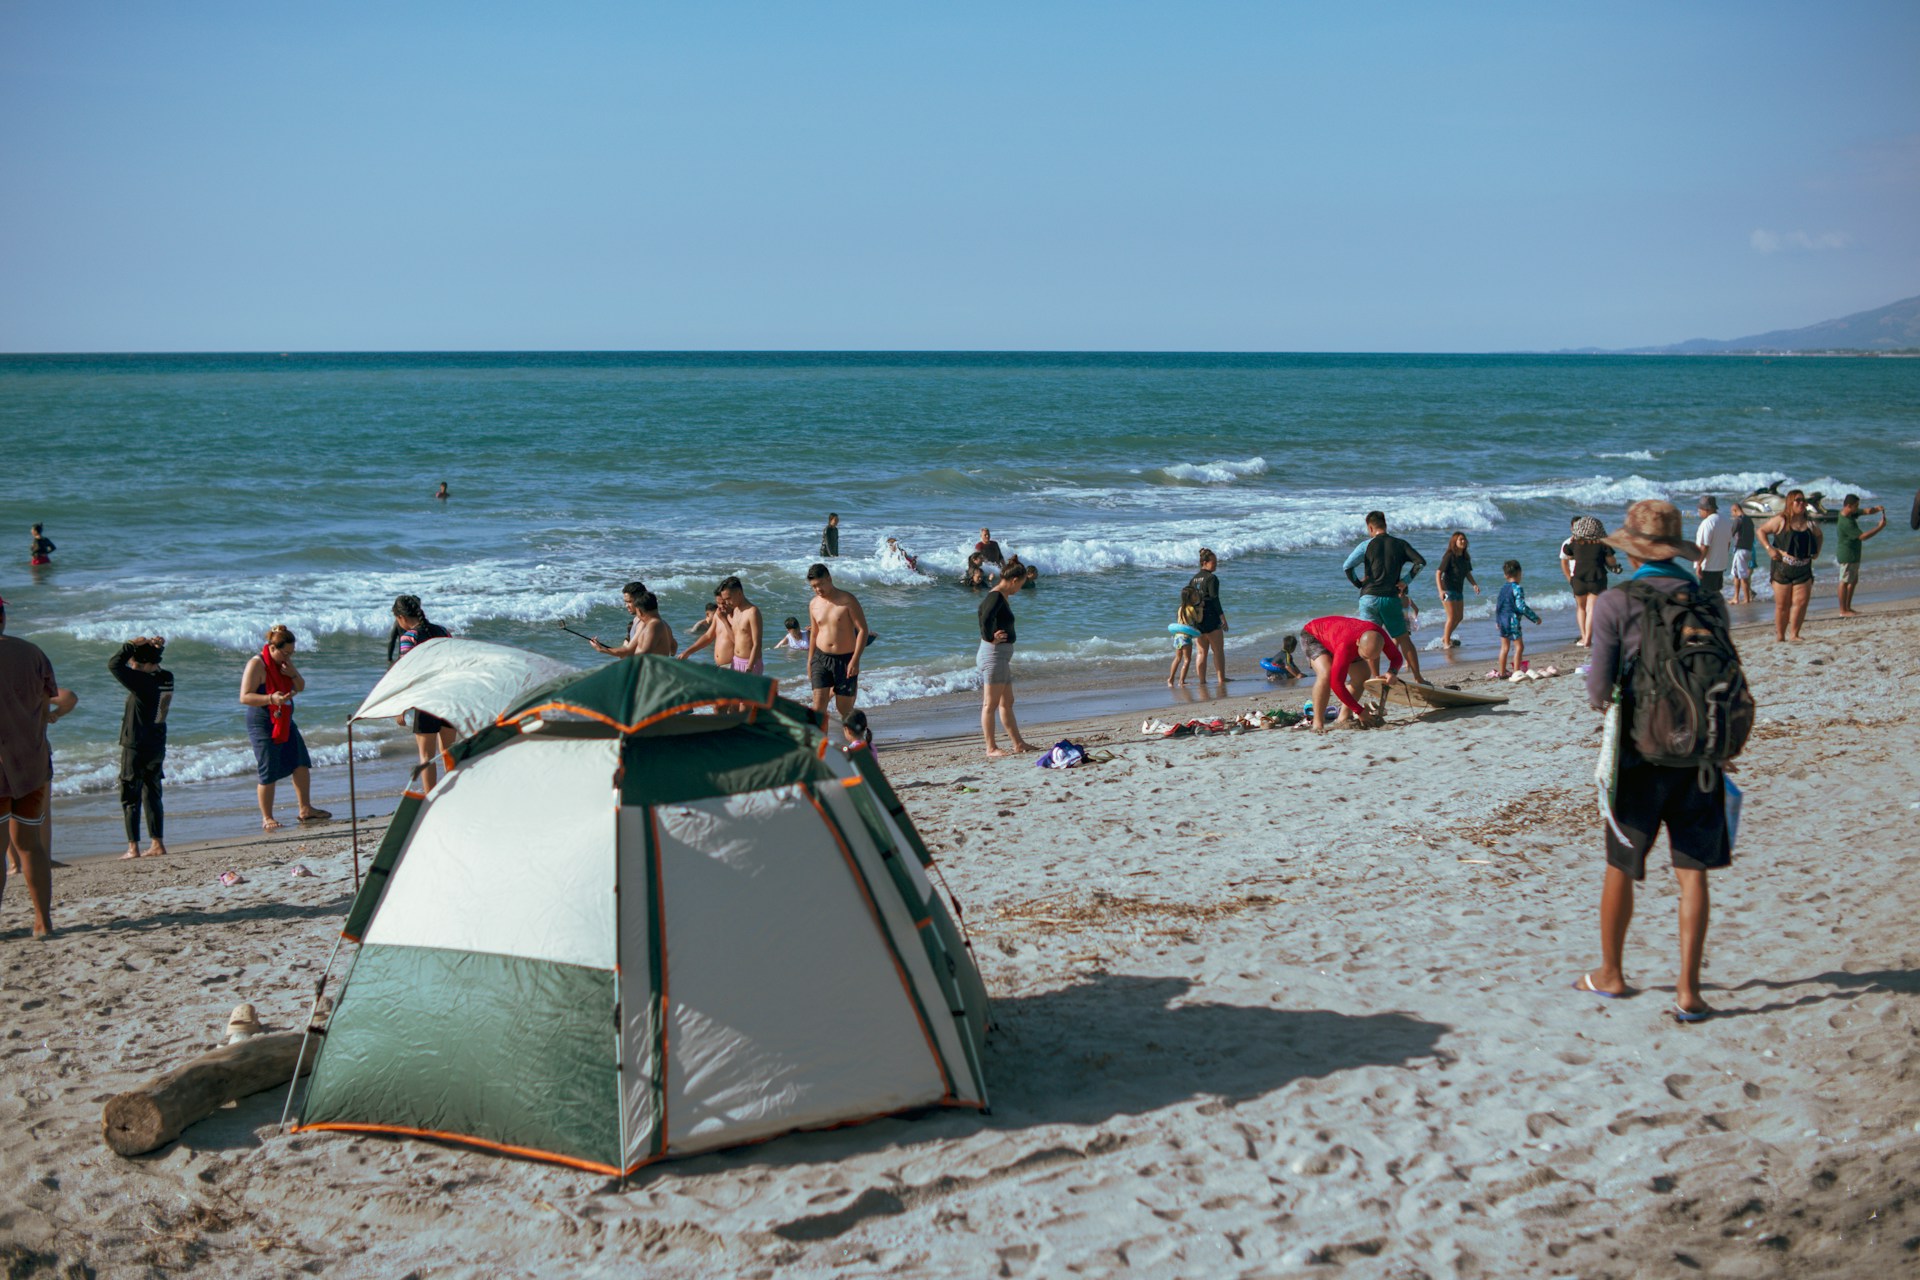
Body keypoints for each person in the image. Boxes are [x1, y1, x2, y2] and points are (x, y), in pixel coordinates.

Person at [1576, 499, 1732, 1021]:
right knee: (1692, 872)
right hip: (1703, 754)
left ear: (1635, 549)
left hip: (1640, 754)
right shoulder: (1708, 600)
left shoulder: (1619, 601)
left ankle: (1611, 975)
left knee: (1622, 864)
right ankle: (1689, 991)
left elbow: (1598, 690)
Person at [1, 595, 77, 937]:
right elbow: (51, 697)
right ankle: (43, 922)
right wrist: (52, 715)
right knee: (31, 844)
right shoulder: (31, 653)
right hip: (32, 763)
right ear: (3, 618)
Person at [239, 625, 328, 831]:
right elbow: (245, 697)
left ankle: (305, 809)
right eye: (285, 653)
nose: (287, 656)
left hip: (284, 716)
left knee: (300, 762)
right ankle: (267, 817)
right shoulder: (256, 664)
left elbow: (301, 686)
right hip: (262, 720)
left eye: (291, 653)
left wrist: (293, 673)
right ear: (272, 647)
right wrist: (272, 698)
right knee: (268, 769)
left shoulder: (285, 662)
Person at [108, 636, 173, 860]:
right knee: (152, 792)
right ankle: (157, 843)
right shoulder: (165, 677)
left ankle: (133, 848)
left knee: (130, 795)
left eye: (135, 663)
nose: (131, 666)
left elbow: (114, 665)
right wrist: (155, 649)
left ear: (145, 665)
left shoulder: (143, 683)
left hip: (136, 745)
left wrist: (129, 646)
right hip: (156, 742)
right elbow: (149, 664)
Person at [1342, 513, 1426, 683]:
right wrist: (1405, 581)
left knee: (1372, 639)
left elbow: (1347, 566)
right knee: (1403, 639)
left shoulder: (1366, 545)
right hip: (1390, 598)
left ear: (1370, 528)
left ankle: (1376, 678)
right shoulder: (1400, 544)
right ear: (1385, 525)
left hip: (1368, 599)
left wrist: (1359, 584)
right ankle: (1418, 678)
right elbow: (1420, 562)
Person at [388, 596, 456, 790]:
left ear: (400, 617)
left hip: (426, 700)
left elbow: (406, 673)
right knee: (449, 752)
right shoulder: (442, 631)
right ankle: (454, 794)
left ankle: (429, 799)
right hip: (449, 697)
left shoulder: (409, 637)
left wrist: (400, 707)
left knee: (426, 756)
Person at [1299, 614, 1403, 732]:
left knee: (1362, 674)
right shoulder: (1345, 646)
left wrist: (1392, 671)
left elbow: (1396, 657)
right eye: (1365, 656)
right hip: (1314, 635)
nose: (1368, 660)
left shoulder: (1379, 635)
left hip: (1339, 638)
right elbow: (1336, 684)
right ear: (1358, 642)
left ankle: (1343, 717)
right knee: (1326, 674)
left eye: (1373, 658)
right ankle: (1318, 723)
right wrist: (1359, 711)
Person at [806, 564, 871, 744]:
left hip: (845, 660)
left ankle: (860, 740)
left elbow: (863, 630)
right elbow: (814, 633)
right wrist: (810, 660)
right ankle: (821, 746)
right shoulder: (813, 604)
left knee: (844, 710)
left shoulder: (847, 600)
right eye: (813, 586)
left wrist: (855, 660)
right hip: (820, 658)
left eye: (820, 584)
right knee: (818, 707)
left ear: (829, 579)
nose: (818, 589)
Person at [976, 563, 1035, 758]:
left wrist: (990, 636)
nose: (1020, 589)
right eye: (1020, 585)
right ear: (1014, 581)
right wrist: (989, 638)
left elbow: (981, 611)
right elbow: (983, 616)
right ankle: (990, 748)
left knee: (1007, 701)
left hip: (999, 656)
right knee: (990, 704)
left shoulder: (1001, 596)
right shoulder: (996, 595)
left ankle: (1018, 744)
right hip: (993, 655)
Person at [1757, 488, 1822, 642]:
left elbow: (1819, 536)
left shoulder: (1810, 522)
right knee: (1782, 605)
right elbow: (1761, 531)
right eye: (1797, 500)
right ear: (1790, 502)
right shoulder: (1781, 520)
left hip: (1804, 568)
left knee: (1801, 603)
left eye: (1803, 500)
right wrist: (1769, 549)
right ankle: (1780, 635)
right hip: (1782, 568)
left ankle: (1794, 634)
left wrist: (1817, 551)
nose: (1801, 503)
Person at [1562, 515, 1621, 646]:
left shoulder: (1575, 543)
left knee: (1581, 608)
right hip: (1597, 578)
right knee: (1591, 609)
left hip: (1578, 579)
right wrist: (1612, 564)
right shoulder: (1602, 545)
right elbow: (1612, 561)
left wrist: (1573, 538)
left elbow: (1567, 554)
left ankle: (1583, 637)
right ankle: (1588, 638)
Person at [683, 577, 763, 674]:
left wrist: (749, 668)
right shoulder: (733, 611)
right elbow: (709, 636)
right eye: (720, 602)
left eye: (727, 600)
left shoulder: (750, 612)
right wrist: (688, 652)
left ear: (739, 593)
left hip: (746, 664)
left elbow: (756, 644)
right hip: (735, 662)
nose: (725, 604)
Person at [1833, 494, 1887, 617]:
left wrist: (1877, 509)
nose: (1858, 508)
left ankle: (1848, 607)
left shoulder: (1850, 513)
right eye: (1856, 506)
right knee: (1844, 581)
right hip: (1847, 554)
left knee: (1853, 580)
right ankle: (1843, 610)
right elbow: (1863, 537)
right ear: (1848, 506)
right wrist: (1879, 528)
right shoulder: (1846, 522)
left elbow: (1866, 511)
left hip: (1854, 554)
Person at [590, 581, 671, 658]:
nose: (626, 606)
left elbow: (629, 651)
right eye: (625, 602)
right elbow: (673, 649)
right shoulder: (638, 620)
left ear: (638, 600)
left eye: (629, 602)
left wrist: (602, 649)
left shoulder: (647, 624)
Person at [1494, 560, 1543, 677]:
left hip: (1502, 619)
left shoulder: (1503, 588)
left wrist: (1497, 620)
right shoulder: (1517, 588)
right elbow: (1521, 607)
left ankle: (1502, 673)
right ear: (1519, 573)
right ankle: (1516, 672)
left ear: (1505, 575)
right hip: (1512, 620)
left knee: (1504, 647)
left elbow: (1498, 605)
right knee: (1519, 646)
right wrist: (1535, 618)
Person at [1187, 548, 1230, 682]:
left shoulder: (1193, 580)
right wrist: (1222, 617)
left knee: (1201, 652)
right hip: (1211, 618)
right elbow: (1214, 599)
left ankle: (1202, 681)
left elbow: (1188, 600)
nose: (1216, 564)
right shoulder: (1212, 578)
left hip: (1197, 620)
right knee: (1218, 651)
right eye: (1213, 562)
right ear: (1205, 562)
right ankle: (1221, 678)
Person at [1434, 531, 1480, 649]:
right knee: (1452, 617)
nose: (1463, 541)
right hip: (1447, 589)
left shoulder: (1465, 557)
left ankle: (1446, 637)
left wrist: (1474, 584)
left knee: (1459, 617)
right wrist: (1440, 591)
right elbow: (1438, 572)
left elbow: (1467, 573)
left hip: (1459, 590)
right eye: (1460, 539)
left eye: (1464, 539)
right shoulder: (1449, 556)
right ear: (1454, 542)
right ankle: (1446, 643)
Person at [1692, 496, 1731, 597]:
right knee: (1715, 596)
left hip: (1708, 567)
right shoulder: (1725, 520)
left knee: (1706, 598)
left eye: (1700, 509)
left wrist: (1699, 564)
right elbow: (1728, 543)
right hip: (1720, 565)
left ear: (1707, 509)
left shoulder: (1707, 523)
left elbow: (1705, 546)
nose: (1699, 511)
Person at [1167, 585, 1203, 686]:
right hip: (1186, 637)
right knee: (1187, 660)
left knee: (1177, 658)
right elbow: (1198, 619)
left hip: (1177, 636)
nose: (1196, 597)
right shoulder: (1191, 608)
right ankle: (1181, 681)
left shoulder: (1180, 608)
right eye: (1195, 595)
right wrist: (1200, 609)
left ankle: (1170, 679)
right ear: (1190, 597)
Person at [1728, 500, 1756, 605]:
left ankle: (1746, 599)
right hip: (1748, 550)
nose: (1732, 515)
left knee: (1742, 576)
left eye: (1732, 512)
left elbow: (1730, 533)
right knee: (1736, 574)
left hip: (1740, 550)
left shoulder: (1738, 520)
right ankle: (1736, 597)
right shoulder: (1749, 520)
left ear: (1735, 510)